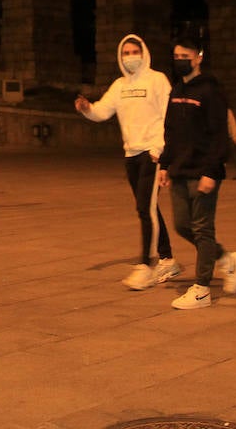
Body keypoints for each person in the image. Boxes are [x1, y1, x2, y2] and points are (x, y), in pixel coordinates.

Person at [75, 34, 182, 291]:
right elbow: (103, 110)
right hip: (131, 154)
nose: (130, 57)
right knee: (147, 207)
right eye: (126, 53)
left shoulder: (157, 80)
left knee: (145, 209)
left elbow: (171, 115)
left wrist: (160, 149)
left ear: (143, 53)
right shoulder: (120, 86)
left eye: (135, 51)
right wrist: (87, 109)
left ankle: (146, 265)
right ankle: (168, 259)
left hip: (151, 152)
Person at [157, 35, 236, 309]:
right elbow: (170, 131)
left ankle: (202, 288)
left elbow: (219, 135)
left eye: (186, 57)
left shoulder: (210, 90)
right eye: (177, 57)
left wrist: (211, 171)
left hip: (204, 171)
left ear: (199, 57)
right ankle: (226, 258)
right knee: (182, 225)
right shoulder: (176, 90)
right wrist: (164, 165)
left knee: (203, 228)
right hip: (180, 169)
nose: (181, 61)